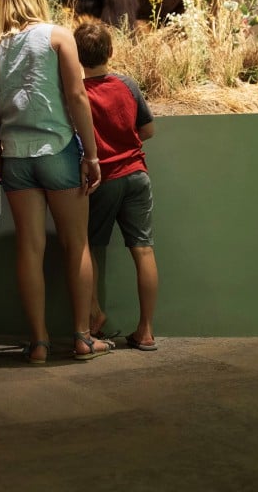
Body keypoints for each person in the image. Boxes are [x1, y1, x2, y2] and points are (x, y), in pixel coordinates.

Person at [0, 0, 112, 363]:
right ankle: (81, 337)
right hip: (57, 149)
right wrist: (91, 154)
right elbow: (77, 96)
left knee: (29, 247)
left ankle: (39, 343)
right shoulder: (58, 36)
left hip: (14, 155)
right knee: (75, 244)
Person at [74, 20, 159, 351]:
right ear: (110, 51)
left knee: (91, 247)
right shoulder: (127, 84)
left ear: (76, 57)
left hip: (103, 180)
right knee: (144, 249)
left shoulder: (79, 92)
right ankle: (147, 330)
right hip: (137, 175)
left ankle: (93, 315)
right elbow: (148, 130)